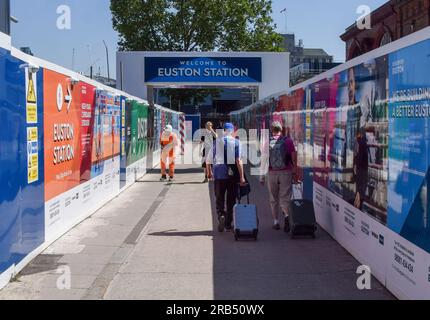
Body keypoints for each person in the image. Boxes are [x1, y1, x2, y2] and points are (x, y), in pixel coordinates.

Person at [260, 121, 297, 232]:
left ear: (272, 130)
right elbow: (294, 158)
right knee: (285, 197)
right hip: (286, 172)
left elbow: (264, 160)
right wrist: (295, 173)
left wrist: (262, 176)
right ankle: (286, 216)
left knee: (273, 198)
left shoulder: (267, 142)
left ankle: (276, 221)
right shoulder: (288, 141)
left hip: (272, 173)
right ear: (281, 129)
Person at [213, 123, 247, 232]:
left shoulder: (217, 142)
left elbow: (209, 159)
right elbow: (238, 160)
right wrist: (242, 177)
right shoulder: (237, 142)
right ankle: (228, 223)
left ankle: (220, 215)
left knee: (219, 197)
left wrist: (209, 172)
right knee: (231, 199)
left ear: (223, 131)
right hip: (232, 176)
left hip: (219, 174)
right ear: (233, 131)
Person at [353, 129, 369, 209]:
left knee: (359, 187)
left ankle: (357, 203)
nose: (356, 137)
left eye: (357, 135)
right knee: (361, 187)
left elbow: (357, 156)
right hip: (364, 168)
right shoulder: (364, 143)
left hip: (360, 168)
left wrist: (355, 166)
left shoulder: (359, 143)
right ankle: (357, 203)